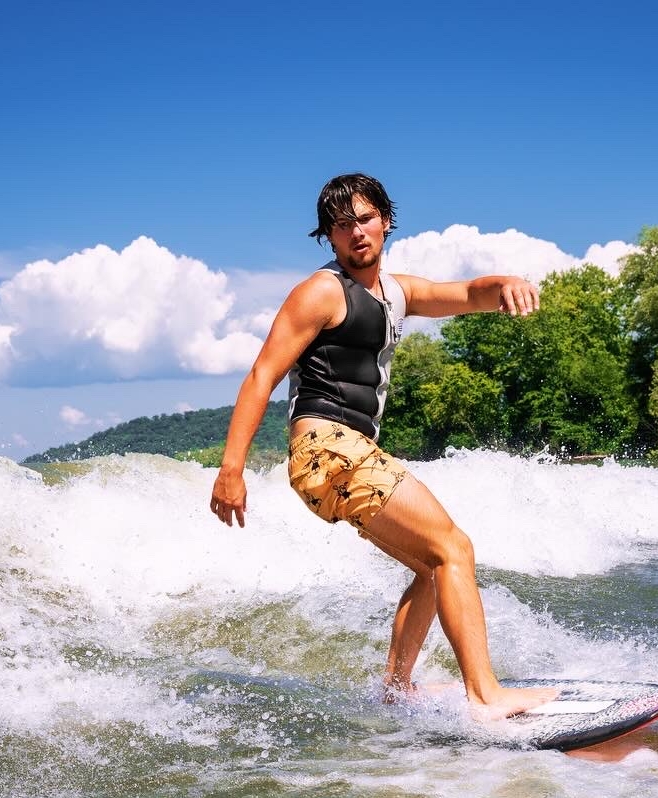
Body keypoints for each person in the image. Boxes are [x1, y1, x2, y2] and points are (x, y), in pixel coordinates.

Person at [209, 173, 555, 719]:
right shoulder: (321, 292)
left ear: (386, 220)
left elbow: (465, 294)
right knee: (455, 549)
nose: (355, 233)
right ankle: (487, 695)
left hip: (344, 457)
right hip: (328, 447)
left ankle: (397, 689)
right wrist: (233, 469)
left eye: (364, 219)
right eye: (341, 226)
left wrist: (506, 282)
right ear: (329, 237)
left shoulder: (396, 291)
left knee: (432, 566)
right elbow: (261, 375)